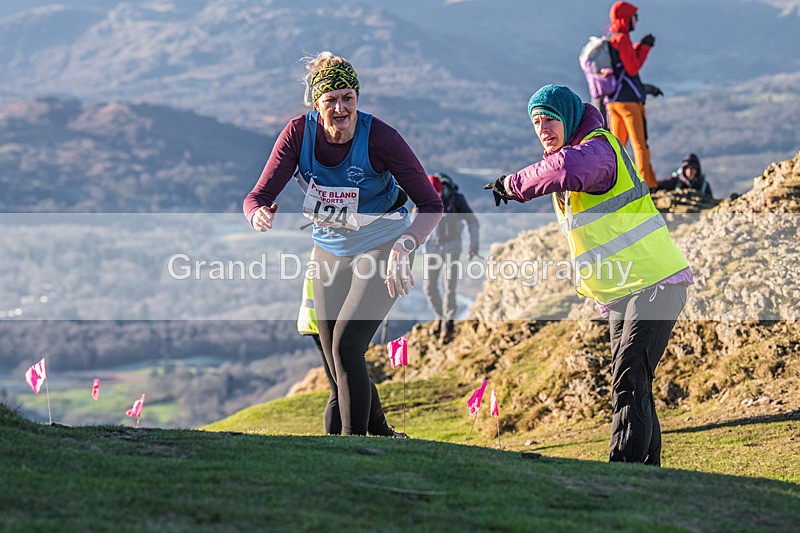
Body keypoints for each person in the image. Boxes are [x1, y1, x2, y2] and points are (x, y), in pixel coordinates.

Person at [484, 84, 693, 465]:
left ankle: (622, 469)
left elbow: (567, 169)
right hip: (622, 290)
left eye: (550, 118)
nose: (543, 128)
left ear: (568, 119)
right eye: (535, 121)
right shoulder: (574, 155)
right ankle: (650, 472)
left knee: (629, 379)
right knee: (633, 380)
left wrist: (514, 184)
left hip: (655, 282)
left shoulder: (598, 149)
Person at [244, 51, 443, 437]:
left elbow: (432, 204)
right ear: (316, 104)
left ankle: (353, 446)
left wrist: (406, 246)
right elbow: (256, 195)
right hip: (329, 251)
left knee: (348, 347)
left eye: (347, 97)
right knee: (335, 362)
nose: (340, 108)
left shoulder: (381, 138)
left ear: (357, 98)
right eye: (330, 99)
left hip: (384, 247)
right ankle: (375, 436)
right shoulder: (298, 135)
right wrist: (258, 213)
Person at [605, 1, 659, 189]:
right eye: (634, 17)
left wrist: (639, 46)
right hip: (629, 103)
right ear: (627, 18)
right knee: (639, 145)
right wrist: (644, 48)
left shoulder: (612, 39)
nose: (637, 20)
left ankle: (615, 185)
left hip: (613, 101)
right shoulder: (623, 39)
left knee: (616, 147)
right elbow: (632, 67)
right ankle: (648, 185)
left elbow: (623, 67)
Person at [423, 172, 480, 344]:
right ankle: (440, 315)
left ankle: (448, 326)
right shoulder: (422, 196)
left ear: (441, 191)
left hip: (452, 247)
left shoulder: (455, 199)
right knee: (429, 287)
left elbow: (472, 221)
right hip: (432, 249)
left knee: (449, 288)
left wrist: (473, 246)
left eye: (437, 195)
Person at [296, 255, 341, 435]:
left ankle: (336, 435)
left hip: (314, 322)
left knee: (338, 385)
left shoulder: (321, 251)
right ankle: (337, 435)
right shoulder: (331, 254)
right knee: (340, 385)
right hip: (322, 324)